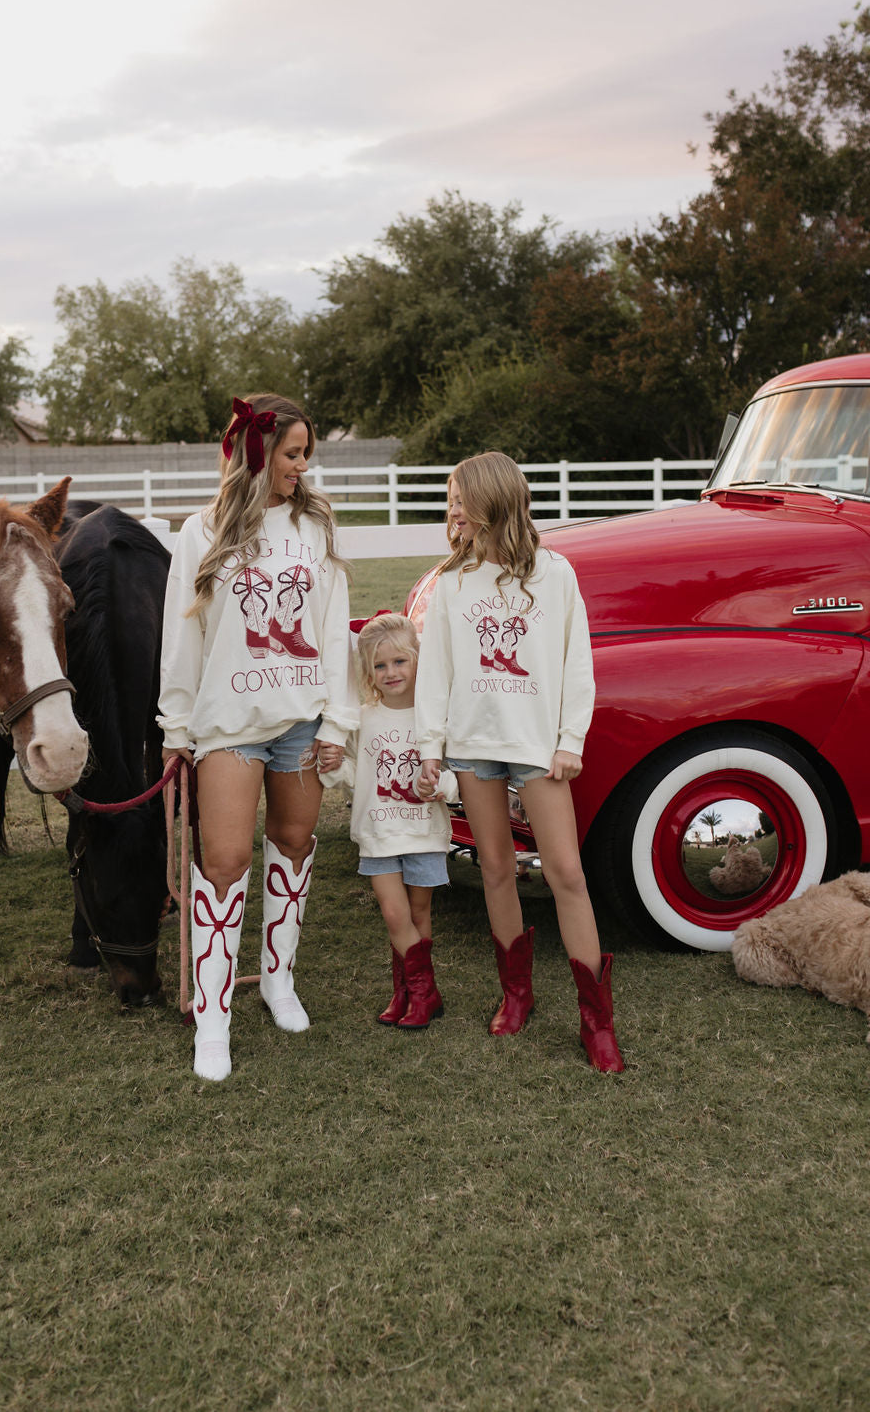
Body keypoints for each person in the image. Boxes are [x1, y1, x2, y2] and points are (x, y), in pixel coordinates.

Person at [157, 393, 357, 1082]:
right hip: (228, 724)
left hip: (300, 719)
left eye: (307, 453)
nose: (303, 466)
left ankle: (278, 981)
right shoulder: (201, 532)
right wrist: (176, 727)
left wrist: (338, 721)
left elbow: (335, 630)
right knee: (224, 859)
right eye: (292, 453)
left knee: (296, 843)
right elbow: (180, 638)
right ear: (257, 454)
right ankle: (213, 1018)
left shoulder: (317, 526)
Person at [415, 451, 624, 1073]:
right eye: (450, 498)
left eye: (460, 497)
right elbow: (436, 673)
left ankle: (597, 1020)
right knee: (497, 869)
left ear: (492, 500)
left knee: (565, 873)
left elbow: (576, 664)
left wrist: (570, 740)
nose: (452, 509)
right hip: (475, 745)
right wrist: (432, 747)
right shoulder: (452, 582)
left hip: (538, 748)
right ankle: (517, 994)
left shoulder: (556, 574)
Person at [327, 613, 457, 1028]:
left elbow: (458, 777)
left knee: (418, 915)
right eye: (380, 666)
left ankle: (407, 992)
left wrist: (440, 786)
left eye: (400, 662)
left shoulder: (434, 720)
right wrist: (329, 766)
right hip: (378, 832)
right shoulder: (364, 719)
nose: (391, 672)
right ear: (368, 671)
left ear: (419, 661)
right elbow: (351, 774)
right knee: (395, 914)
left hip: (423, 832)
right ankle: (425, 991)